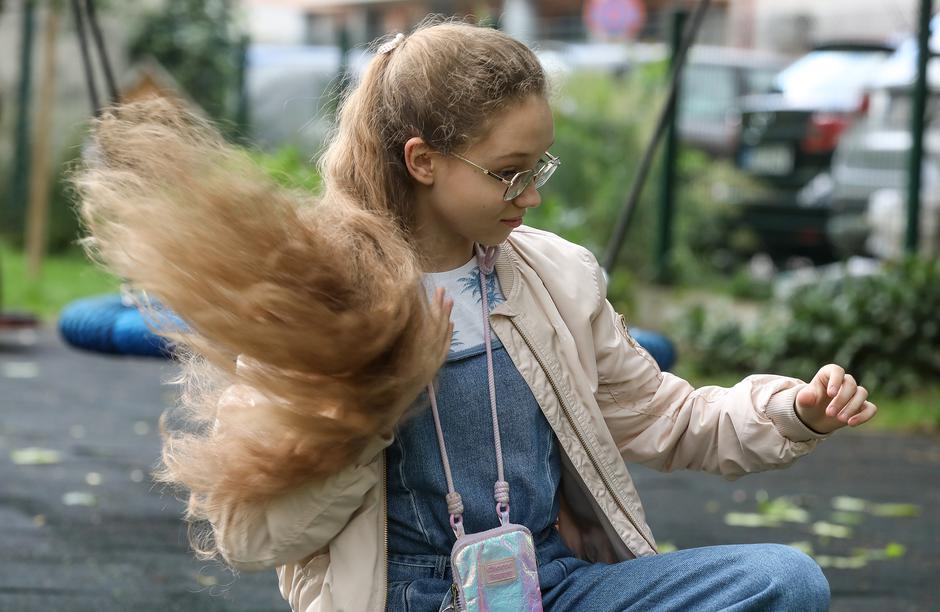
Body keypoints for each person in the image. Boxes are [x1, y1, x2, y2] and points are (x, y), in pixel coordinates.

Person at [76, 18, 876, 612]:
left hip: (547, 586)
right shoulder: (323, 297)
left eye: (539, 167)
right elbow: (252, 536)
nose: (531, 196)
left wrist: (792, 411)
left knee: (785, 581)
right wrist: (368, 403)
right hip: (403, 597)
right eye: (508, 172)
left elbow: (666, 417)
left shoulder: (556, 275)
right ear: (423, 161)